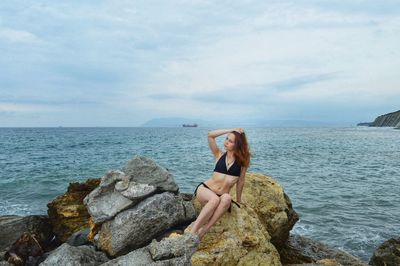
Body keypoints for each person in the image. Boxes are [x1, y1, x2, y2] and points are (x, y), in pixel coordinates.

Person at [190, 128, 251, 240]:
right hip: (205, 189)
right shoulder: (219, 155)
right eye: (226, 138)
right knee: (214, 200)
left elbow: (241, 181)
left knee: (227, 198)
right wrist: (231, 129)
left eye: (230, 141)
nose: (226, 142)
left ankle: (203, 231)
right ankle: (191, 233)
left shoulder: (242, 163)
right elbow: (210, 135)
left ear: (237, 145)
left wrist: (238, 200)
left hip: (221, 195)